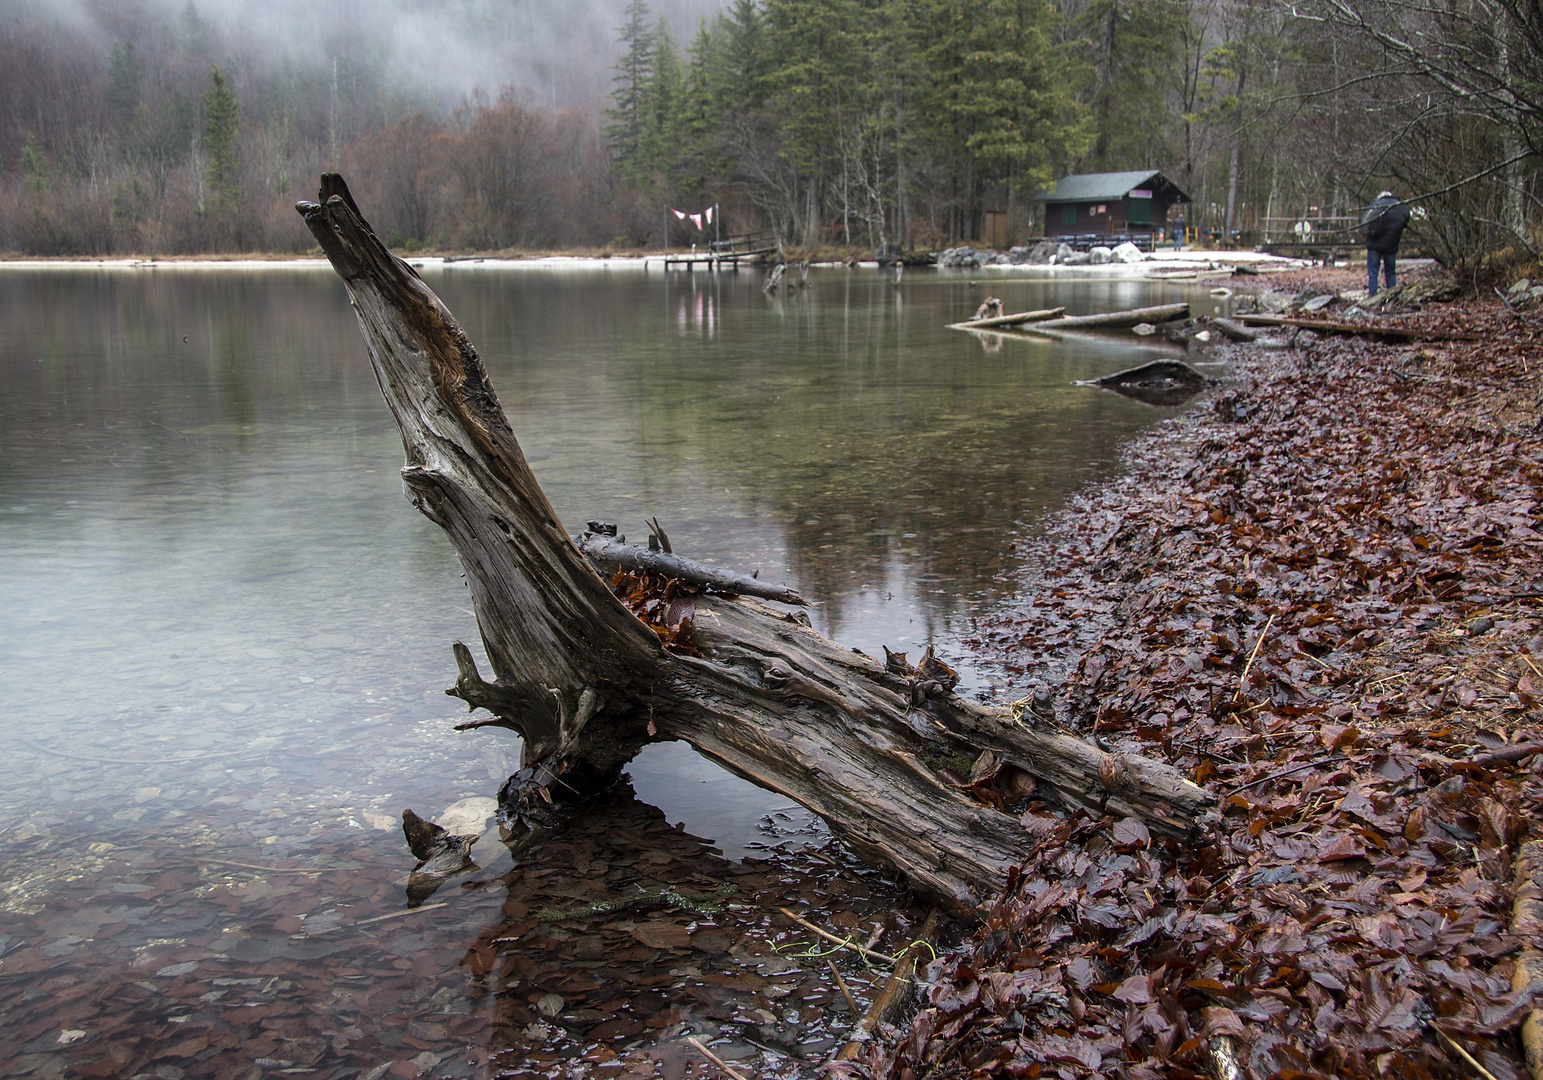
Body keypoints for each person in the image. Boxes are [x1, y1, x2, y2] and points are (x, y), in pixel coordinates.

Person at [1361, 190, 1411, 296]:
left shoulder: (1375, 205)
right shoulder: (1399, 207)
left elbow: (1363, 220)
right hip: (1391, 244)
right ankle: (1391, 295)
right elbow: (1407, 216)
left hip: (1374, 244)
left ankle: (1372, 295)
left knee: (1373, 273)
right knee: (1390, 272)